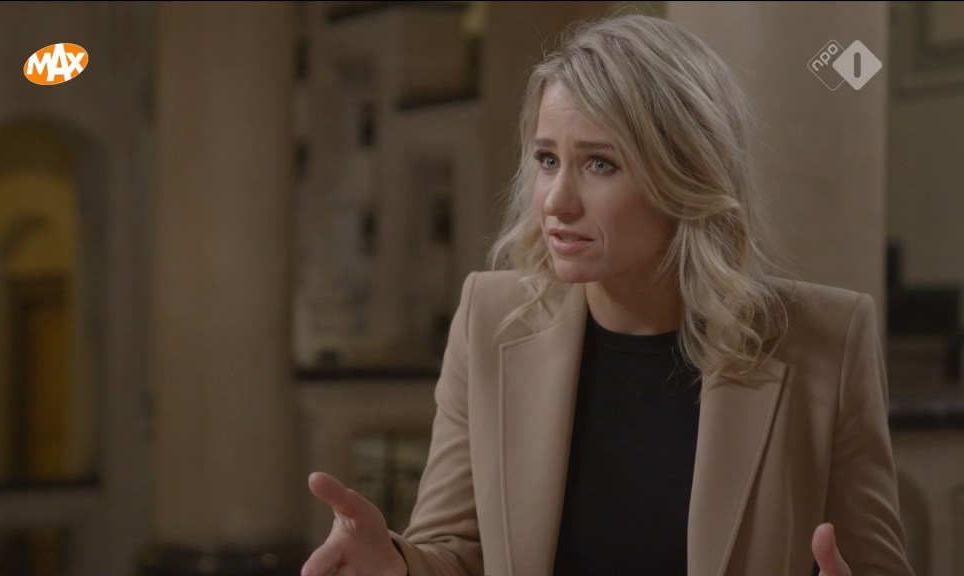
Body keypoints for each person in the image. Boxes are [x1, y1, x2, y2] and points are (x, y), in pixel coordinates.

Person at [302, 14, 913, 576]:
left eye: (600, 164)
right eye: (547, 160)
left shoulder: (828, 338)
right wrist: (398, 565)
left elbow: (873, 563)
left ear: (686, 174)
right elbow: (458, 552)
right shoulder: (489, 319)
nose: (556, 201)